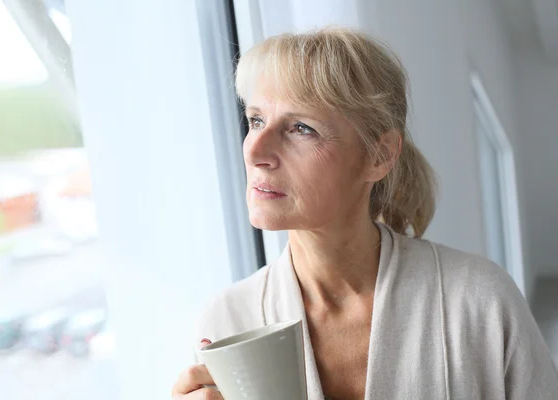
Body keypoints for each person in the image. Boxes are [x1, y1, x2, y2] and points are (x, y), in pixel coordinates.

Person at [172, 27, 558, 400]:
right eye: (256, 120)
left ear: (379, 155)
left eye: (300, 128)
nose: (254, 151)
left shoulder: (480, 302)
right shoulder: (225, 323)